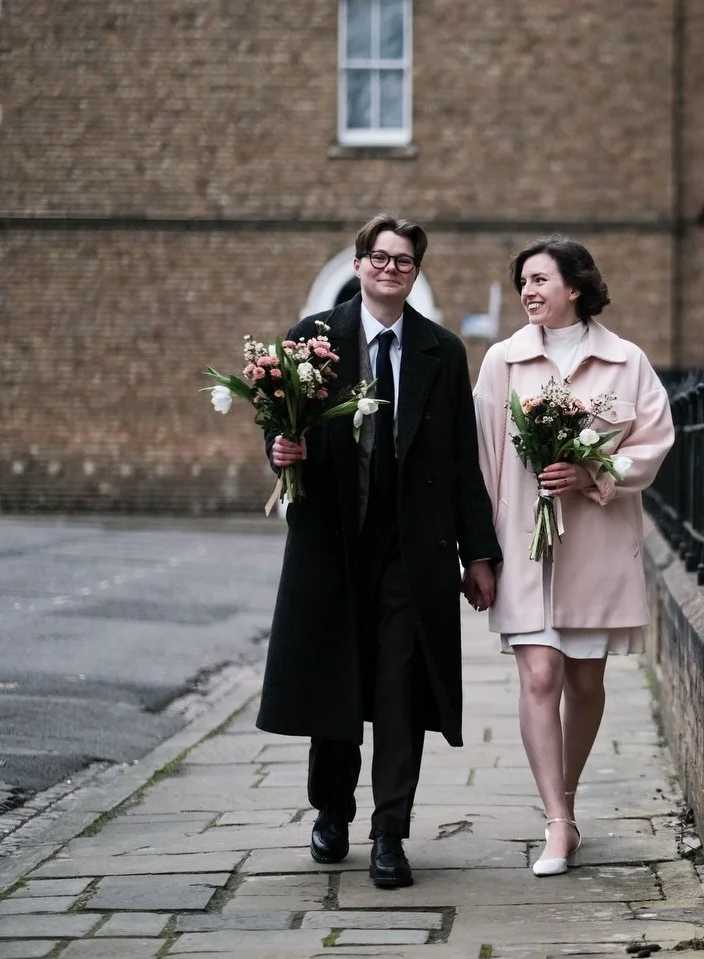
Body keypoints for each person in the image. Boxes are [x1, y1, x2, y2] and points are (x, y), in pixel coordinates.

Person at [259, 214, 501, 890]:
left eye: (404, 261)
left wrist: (479, 554)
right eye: (381, 257)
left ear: (415, 273)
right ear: (360, 263)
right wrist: (281, 451)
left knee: (401, 689)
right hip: (332, 544)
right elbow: (278, 422)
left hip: (411, 550)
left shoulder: (441, 351)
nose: (391, 269)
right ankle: (331, 811)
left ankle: (390, 831)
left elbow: (462, 461)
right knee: (336, 681)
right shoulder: (312, 338)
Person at [473, 236, 674, 876]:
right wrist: (477, 552)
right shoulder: (503, 361)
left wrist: (593, 473)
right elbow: (483, 460)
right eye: (523, 282)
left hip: (597, 549)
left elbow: (653, 441)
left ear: (575, 287)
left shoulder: (626, 361)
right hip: (523, 548)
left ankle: (568, 798)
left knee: (585, 683)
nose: (528, 291)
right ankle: (557, 821)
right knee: (540, 676)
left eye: (540, 279)